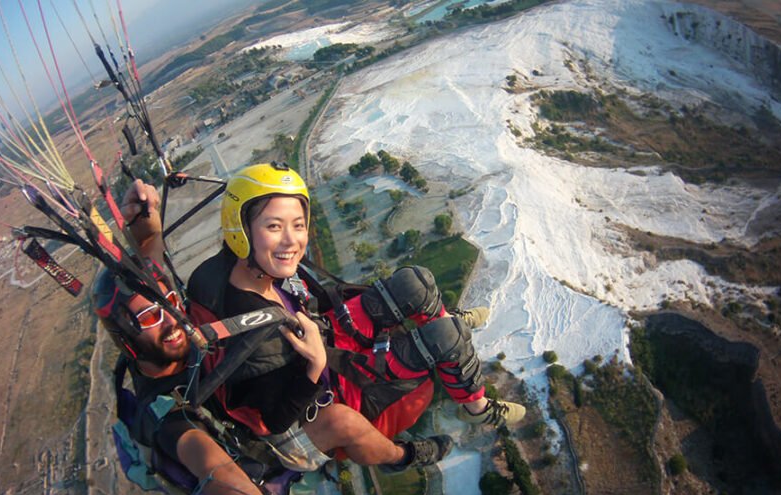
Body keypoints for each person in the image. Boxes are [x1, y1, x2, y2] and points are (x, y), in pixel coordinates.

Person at [123, 163, 525, 446]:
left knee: (415, 282)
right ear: (242, 231)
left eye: (297, 225)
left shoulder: (219, 269)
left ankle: (444, 325)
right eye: (274, 227)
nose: (291, 240)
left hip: (326, 330)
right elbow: (273, 421)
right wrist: (315, 365)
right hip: (341, 387)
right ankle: (476, 407)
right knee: (447, 337)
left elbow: (157, 272)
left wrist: (146, 220)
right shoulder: (256, 340)